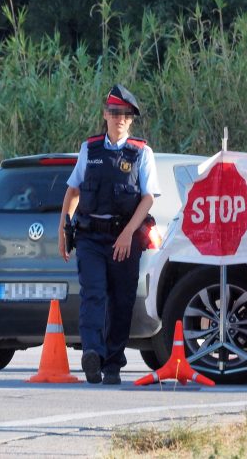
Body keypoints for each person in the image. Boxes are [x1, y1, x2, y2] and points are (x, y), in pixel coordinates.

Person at [58, 84, 161, 385]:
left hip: (124, 238)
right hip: (90, 236)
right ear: (105, 114)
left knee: (121, 300)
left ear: (131, 120)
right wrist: (63, 227)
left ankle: (113, 362)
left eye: (125, 115)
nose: (119, 119)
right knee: (93, 294)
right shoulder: (89, 149)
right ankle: (92, 352)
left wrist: (129, 233)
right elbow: (73, 190)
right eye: (114, 113)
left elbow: (148, 198)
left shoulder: (142, 153)